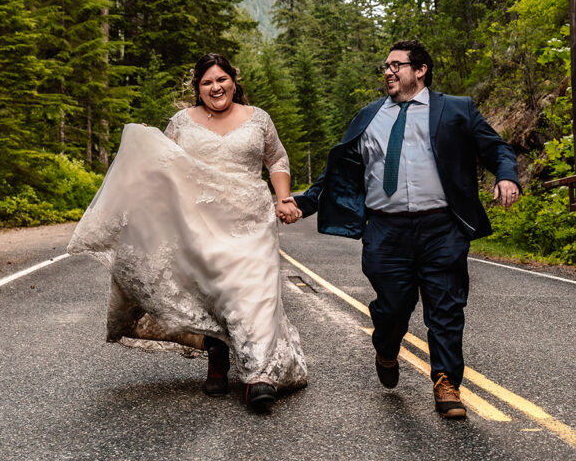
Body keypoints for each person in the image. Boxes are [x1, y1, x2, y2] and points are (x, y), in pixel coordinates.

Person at [285, 40, 519, 420]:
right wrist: (302, 203)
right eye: (386, 66)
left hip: (441, 227)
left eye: (397, 65)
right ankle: (386, 344)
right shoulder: (369, 116)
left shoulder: (455, 109)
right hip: (385, 231)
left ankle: (446, 383)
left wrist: (507, 177)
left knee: (446, 307)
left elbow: (497, 149)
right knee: (392, 306)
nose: (389, 72)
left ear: (421, 69)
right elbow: (339, 172)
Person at [68, 53, 307, 413]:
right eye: (207, 82)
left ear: (234, 80)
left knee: (254, 290)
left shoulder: (259, 119)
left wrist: (284, 197)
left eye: (222, 79)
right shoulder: (182, 122)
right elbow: (163, 166)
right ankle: (217, 354)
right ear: (197, 87)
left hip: (251, 219)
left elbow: (277, 160)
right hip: (199, 222)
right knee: (215, 290)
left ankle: (259, 376)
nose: (216, 87)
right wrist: (145, 147)